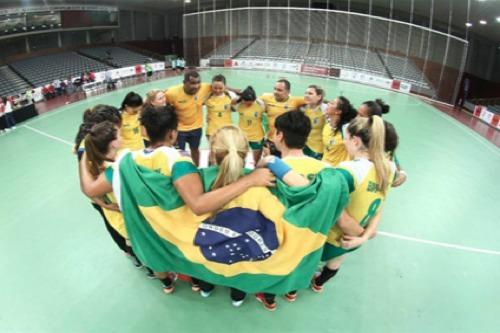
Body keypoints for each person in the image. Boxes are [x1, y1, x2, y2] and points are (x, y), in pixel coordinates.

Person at [78, 105, 275, 293]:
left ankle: (168, 283)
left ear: (143, 131)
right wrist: (250, 180)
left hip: (152, 228)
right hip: (178, 229)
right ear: (174, 133)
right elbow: (198, 205)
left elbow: (89, 188)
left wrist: (82, 155)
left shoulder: (126, 161)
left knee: (158, 261)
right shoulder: (179, 162)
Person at [254, 110, 331, 310]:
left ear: (280, 135)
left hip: (280, 233)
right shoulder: (325, 169)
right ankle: (292, 291)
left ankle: (269, 299)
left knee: (275, 267)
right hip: (310, 235)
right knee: (301, 263)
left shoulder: (272, 168)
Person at [312, 116, 398, 292]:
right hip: (351, 241)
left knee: (305, 263)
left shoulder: (349, 170)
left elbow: (340, 218)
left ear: (356, 141)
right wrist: (365, 236)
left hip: (329, 238)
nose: (344, 141)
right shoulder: (389, 168)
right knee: (336, 261)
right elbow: (380, 206)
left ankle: (291, 292)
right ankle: (318, 284)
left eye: (347, 137)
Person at [165, 70, 212, 166]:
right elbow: (160, 100)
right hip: (179, 129)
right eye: (192, 83)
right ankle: (182, 171)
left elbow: (218, 86)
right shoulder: (172, 93)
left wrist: (238, 92)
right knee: (179, 152)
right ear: (184, 83)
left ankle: (197, 168)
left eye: (198, 82)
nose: (196, 86)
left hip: (196, 128)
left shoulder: (204, 88)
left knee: (195, 150)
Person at [358, 99, 407, 187]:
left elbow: (392, 157)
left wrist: (402, 174)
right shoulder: (352, 129)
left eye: (361, 115)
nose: (356, 117)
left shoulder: (380, 139)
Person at [260, 79, 305, 157]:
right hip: (271, 141)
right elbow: (252, 98)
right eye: (275, 89)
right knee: (269, 165)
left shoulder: (296, 101)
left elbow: (313, 101)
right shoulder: (266, 98)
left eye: (279, 90)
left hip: (287, 144)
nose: (275, 92)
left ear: (288, 92)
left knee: (285, 166)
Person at [322, 96, 358, 167]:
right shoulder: (327, 125)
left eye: (332, 103)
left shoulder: (346, 130)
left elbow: (355, 153)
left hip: (337, 171)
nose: (328, 104)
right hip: (324, 167)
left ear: (338, 111)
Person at [235, 86, 266, 165]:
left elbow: (263, 103)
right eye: (246, 102)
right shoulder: (239, 105)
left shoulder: (260, 106)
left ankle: (255, 174)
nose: (248, 104)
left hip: (257, 137)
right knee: (240, 159)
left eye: (251, 102)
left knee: (257, 161)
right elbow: (232, 101)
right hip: (242, 135)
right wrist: (241, 96)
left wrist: (255, 98)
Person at [205, 74, 234, 141]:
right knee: (213, 151)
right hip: (211, 131)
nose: (217, 90)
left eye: (220, 88)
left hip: (227, 131)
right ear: (211, 86)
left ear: (225, 87)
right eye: (215, 88)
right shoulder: (207, 97)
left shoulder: (231, 96)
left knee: (226, 151)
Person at [301, 85, 327, 160]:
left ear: (319, 97)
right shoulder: (303, 108)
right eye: (305, 93)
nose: (306, 95)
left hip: (318, 149)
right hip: (304, 146)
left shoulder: (325, 109)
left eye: (310, 93)